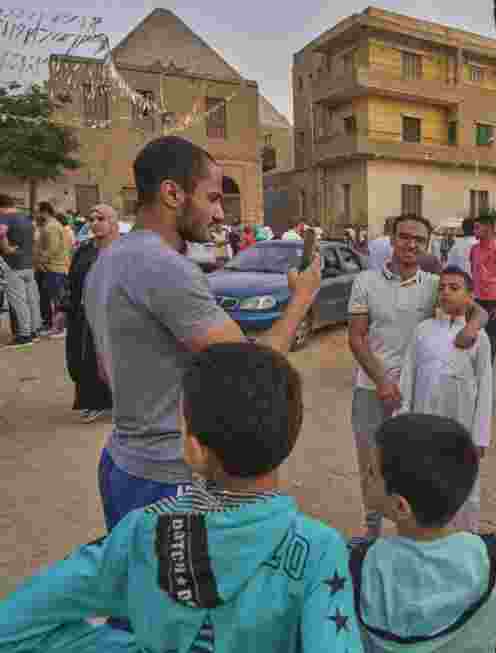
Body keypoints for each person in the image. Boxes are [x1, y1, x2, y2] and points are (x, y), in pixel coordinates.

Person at [0, 342, 363, 653]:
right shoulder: (318, 550)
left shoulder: (143, 532)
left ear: (193, 449)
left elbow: (14, 627)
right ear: (289, 437)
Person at [85, 135, 322, 544]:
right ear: (172, 193)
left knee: (139, 594)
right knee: (176, 603)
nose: (218, 213)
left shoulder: (107, 261)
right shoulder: (161, 265)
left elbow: (108, 371)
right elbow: (250, 367)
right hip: (165, 478)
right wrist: (301, 298)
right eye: (212, 198)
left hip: (123, 460)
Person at [347, 215, 487, 544]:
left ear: (426, 245)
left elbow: (477, 308)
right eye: (405, 237)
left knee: (411, 466)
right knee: (371, 463)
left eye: (419, 240)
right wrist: (382, 380)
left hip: (416, 395)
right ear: (392, 239)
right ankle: (371, 533)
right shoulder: (365, 281)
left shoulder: (434, 283)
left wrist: (471, 328)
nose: (411, 244)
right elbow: (356, 338)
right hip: (371, 389)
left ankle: (405, 536)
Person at [353, 413, 496, 652]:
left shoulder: (360, 566)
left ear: (401, 506)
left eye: (372, 473)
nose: (363, 476)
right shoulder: (494, 560)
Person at [397, 266, 493, 531]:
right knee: (421, 486)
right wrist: (403, 420)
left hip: (460, 431)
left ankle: (464, 547)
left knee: (464, 492)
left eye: (454, 288)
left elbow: (485, 387)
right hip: (422, 426)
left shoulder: (479, 338)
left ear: (469, 296)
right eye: (442, 288)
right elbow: (408, 377)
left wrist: (480, 436)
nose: (446, 293)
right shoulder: (423, 331)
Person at [56, 204, 119, 424]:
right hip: (83, 316)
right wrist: (63, 309)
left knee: (116, 360)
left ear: (113, 222)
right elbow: (71, 283)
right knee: (82, 359)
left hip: (116, 316)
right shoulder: (84, 250)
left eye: (100, 218)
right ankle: (93, 401)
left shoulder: (123, 251)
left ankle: (118, 403)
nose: (94, 223)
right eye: (91, 219)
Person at [0, 193, 42, 347]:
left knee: (18, 301)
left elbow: (1, 233)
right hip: (28, 263)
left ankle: (24, 335)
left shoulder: (4, 218)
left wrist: (7, 249)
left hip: (13, 265)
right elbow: (36, 239)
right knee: (32, 300)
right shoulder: (26, 218)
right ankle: (34, 331)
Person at [469, 214, 496, 363]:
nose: (474, 231)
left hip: (492, 300)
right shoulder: (474, 249)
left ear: (490, 229)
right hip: (477, 298)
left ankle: (488, 367)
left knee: (490, 336)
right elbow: (473, 273)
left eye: (477, 227)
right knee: (475, 333)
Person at [34, 201, 70, 338]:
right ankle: (55, 327)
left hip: (55, 268)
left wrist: (41, 260)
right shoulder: (51, 225)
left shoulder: (51, 227)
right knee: (55, 298)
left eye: (38, 211)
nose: (36, 214)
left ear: (44, 211)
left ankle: (60, 328)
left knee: (58, 300)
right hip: (54, 267)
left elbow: (52, 248)